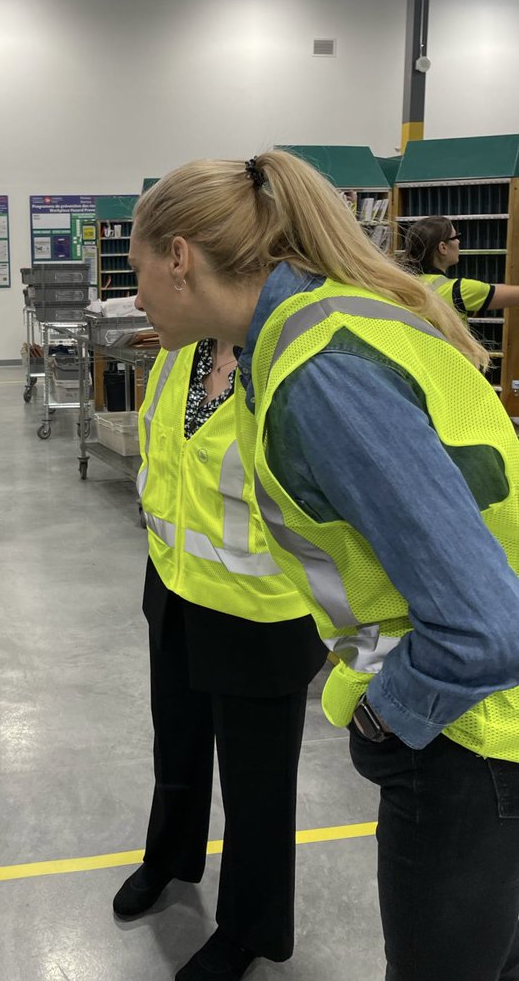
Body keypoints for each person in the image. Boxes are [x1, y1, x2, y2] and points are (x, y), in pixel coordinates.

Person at [130, 151, 519, 981]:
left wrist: (385, 720)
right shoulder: (321, 327)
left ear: (180, 258)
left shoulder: (318, 371)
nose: (135, 298)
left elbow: (485, 628)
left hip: (472, 738)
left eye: (138, 270)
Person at [112, 332, 326, 981]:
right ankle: (171, 858)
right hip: (177, 584)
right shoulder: (182, 351)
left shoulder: (290, 362)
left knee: (257, 785)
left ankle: (248, 927)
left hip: (260, 609)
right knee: (174, 744)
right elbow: (162, 451)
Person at [401, 214, 519, 319]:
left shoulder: (401, 285)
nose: (458, 242)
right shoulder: (459, 291)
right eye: (455, 237)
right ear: (443, 247)